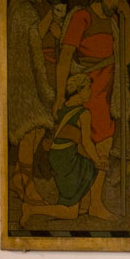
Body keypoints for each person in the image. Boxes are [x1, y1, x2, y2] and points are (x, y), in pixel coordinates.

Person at [53, 0, 130, 220]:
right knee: (95, 146)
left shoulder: (116, 19)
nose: (118, 3)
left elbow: (126, 55)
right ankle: (92, 202)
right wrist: (58, 95)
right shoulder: (82, 17)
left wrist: (127, 18)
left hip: (108, 91)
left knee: (102, 146)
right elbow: (65, 56)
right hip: (86, 89)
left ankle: (92, 202)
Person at [20, 74, 110, 227]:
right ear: (79, 90)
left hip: (58, 155)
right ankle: (31, 209)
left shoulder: (61, 107)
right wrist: (98, 160)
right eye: (87, 88)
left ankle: (80, 204)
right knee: (70, 213)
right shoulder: (84, 113)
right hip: (67, 158)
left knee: (88, 168)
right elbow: (87, 143)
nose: (90, 92)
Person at [8, 0, 62, 203]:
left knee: (39, 128)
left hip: (37, 75)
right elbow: (35, 35)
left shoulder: (36, 7)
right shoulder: (21, 7)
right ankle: (26, 185)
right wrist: (51, 15)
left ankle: (18, 177)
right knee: (31, 129)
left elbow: (51, 34)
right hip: (24, 77)